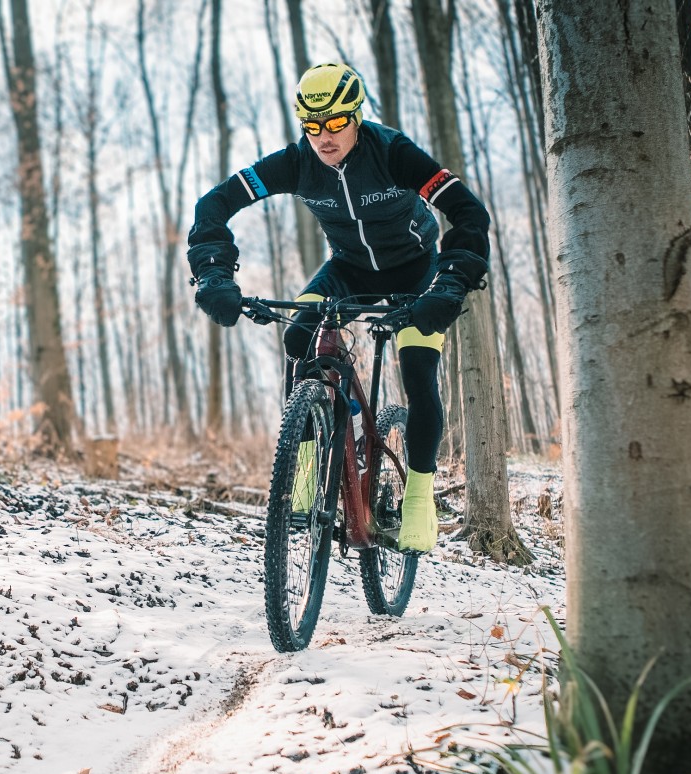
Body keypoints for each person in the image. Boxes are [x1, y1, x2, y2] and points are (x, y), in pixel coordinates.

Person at [187, 62, 490, 553]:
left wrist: (451, 284)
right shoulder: (297, 162)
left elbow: (468, 211)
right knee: (298, 340)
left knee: (417, 369)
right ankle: (309, 463)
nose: (323, 137)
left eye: (334, 123)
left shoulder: (393, 152)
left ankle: (418, 494)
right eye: (312, 125)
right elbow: (214, 204)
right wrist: (215, 274)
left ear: (356, 115)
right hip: (348, 269)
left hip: (417, 271)